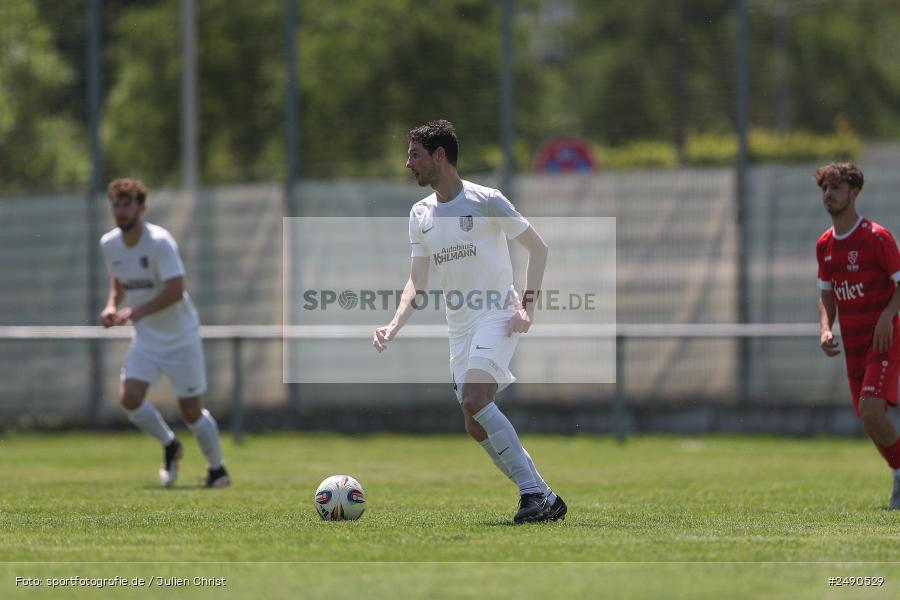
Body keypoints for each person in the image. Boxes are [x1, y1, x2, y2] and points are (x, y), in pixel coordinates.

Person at [373, 120, 565, 523]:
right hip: (458, 326)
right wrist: (393, 325)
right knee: (476, 425)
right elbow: (417, 281)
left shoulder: (487, 200)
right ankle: (546, 496)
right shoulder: (419, 213)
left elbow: (538, 248)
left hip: (497, 313)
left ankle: (531, 495)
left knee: (475, 399)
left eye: (415, 155)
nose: (408, 163)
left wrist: (527, 305)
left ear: (439, 156)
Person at [99, 178, 229, 488]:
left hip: (181, 337)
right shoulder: (109, 244)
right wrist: (111, 305)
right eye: (116, 205)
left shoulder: (159, 242)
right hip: (146, 338)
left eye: (127, 204)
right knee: (130, 398)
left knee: (191, 412)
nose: (120, 211)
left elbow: (175, 289)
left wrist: (137, 312)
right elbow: (119, 282)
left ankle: (217, 470)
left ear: (141, 208)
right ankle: (171, 445)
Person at [815, 162, 900, 509]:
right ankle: (899, 473)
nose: (829, 194)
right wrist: (824, 328)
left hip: (884, 339)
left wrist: (888, 314)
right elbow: (827, 293)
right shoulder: (825, 245)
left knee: (871, 411)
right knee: (869, 422)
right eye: (825, 188)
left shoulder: (876, 237)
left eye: (836, 187)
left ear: (854, 192)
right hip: (853, 345)